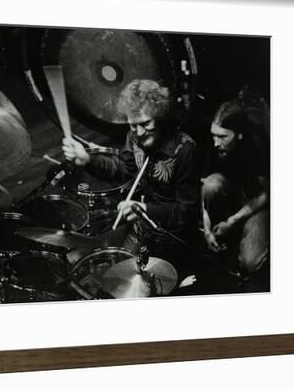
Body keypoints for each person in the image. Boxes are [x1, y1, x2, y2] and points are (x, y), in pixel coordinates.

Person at [62, 79, 200, 255]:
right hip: (143, 230)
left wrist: (145, 209)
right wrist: (88, 159)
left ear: (160, 116)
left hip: (173, 239)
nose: (140, 133)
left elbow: (186, 211)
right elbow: (123, 169)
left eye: (146, 124)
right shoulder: (134, 136)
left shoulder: (185, 149)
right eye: (133, 125)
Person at [201, 90, 270, 288]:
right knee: (211, 185)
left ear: (239, 135)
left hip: (256, 201)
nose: (216, 142)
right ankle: (219, 243)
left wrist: (232, 221)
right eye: (214, 135)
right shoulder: (212, 144)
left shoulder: (257, 146)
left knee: (250, 262)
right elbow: (204, 189)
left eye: (223, 137)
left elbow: (268, 194)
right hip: (231, 193)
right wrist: (206, 231)